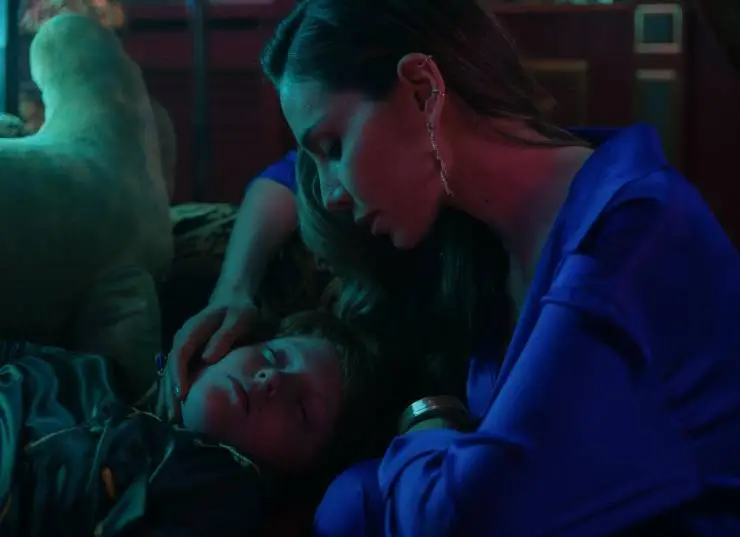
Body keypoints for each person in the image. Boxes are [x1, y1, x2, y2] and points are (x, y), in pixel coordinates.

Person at [257, 0, 740, 536]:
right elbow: (286, 174)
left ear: (422, 90)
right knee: (351, 504)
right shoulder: (487, 240)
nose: (331, 194)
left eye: (333, 147)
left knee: (357, 500)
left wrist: (425, 421)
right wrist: (234, 287)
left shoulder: (630, 236)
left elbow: (468, 516)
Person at [0, 310, 387, 537]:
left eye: (302, 410)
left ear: (298, 472)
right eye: (275, 356)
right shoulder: (86, 371)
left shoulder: (217, 501)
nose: (273, 380)